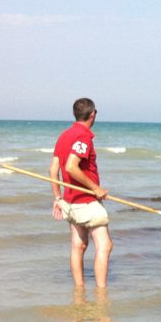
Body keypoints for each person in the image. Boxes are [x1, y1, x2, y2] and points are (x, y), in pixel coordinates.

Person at [50, 97, 112, 287]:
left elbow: (53, 170)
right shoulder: (83, 136)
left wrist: (58, 198)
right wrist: (96, 188)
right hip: (87, 202)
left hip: (69, 201)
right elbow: (71, 166)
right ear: (93, 114)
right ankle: (101, 294)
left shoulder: (64, 136)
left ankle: (79, 292)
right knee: (105, 245)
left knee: (79, 245)